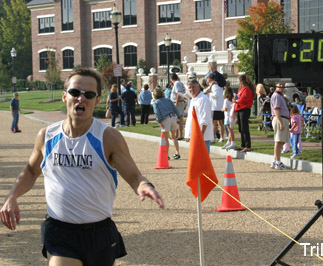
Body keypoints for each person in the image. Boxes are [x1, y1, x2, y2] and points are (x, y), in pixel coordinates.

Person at [0, 68, 164, 266]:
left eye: (89, 94)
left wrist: (146, 186)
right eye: (75, 92)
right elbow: (31, 171)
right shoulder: (46, 136)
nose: (81, 99)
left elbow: (134, 176)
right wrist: (12, 196)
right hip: (60, 233)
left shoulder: (108, 138)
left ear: (97, 100)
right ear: (64, 96)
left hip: (99, 234)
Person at [152, 88, 183, 160]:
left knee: (165, 138)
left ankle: (166, 155)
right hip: (173, 118)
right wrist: (180, 116)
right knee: (174, 137)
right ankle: (177, 152)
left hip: (165, 119)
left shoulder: (156, 102)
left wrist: (159, 121)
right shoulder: (168, 100)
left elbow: (157, 113)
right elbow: (175, 108)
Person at [185, 79, 214, 153]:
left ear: (198, 87)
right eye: (190, 87)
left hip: (202, 137)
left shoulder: (203, 99)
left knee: (203, 160)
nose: (192, 89)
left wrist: (200, 136)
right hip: (194, 136)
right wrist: (187, 134)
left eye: (193, 87)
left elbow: (205, 119)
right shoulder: (193, 100)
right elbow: (190, 119)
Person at [270, 83, 291, 170]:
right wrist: (281, 122)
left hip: (283, 118)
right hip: (280, 119)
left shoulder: (280, 96)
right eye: (280, 85)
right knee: (279, 141)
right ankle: (278, 162)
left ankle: (275, 160)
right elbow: (276, 109)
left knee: (280, 141)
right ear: (276, 85)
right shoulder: (277, 96)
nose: (282, 87)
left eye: (283, 85)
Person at [233, 74, 255, 153]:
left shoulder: (247, 89)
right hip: (239, 109)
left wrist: (236, 101)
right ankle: (243, 145)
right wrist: (235, 99)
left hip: (244, 109)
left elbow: (243, 99)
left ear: (241, 81)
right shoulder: (241, 90)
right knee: (241, 128)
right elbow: (236, 98)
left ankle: (247, 145)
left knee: (244, 128)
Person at [204, 72, 225, 143]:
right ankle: (216, 137)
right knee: (216, 123)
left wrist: (209, 93)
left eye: (207, 78)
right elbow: (205, 91)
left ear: (210, 78)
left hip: (216, 107)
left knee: (218, 123)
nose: (207, 79)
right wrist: (209, 88)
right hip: (215, 107)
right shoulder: (212, 85)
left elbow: (216, 95)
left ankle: (218, 137)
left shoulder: (215, 86)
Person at [170, 73, 186, 140]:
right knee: (177, 119)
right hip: (180, 102)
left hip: (178, 103)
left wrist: (176, 103)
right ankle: (176, 134)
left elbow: (179, 93)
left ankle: (179, 135)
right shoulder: (179, 83)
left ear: (171, 79)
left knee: (178, 119)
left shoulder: (176, 83)